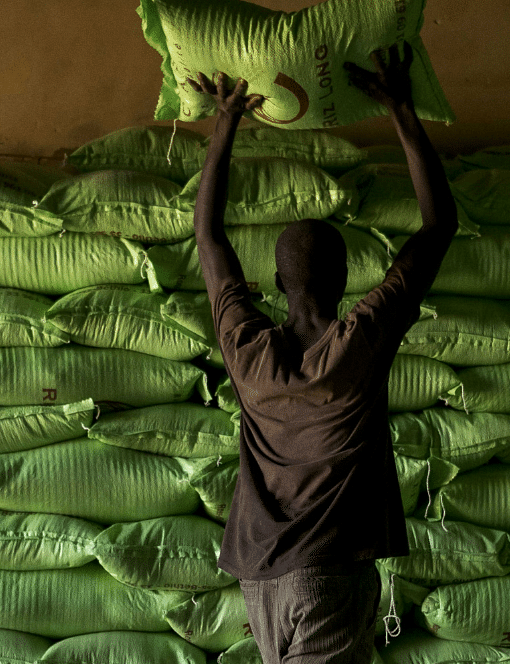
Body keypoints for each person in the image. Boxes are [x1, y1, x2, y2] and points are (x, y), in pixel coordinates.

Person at [188, 42, 458, 664]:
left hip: (259, 580)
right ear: (344, 282)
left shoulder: (247, 348)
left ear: (278, 284)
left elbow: (207, 235)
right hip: (329, 573)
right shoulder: (358, 342)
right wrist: (402, 111)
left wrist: (225, 121)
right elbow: (437, 226)